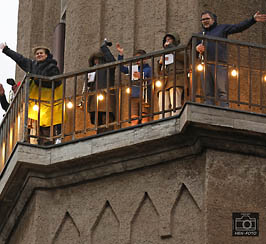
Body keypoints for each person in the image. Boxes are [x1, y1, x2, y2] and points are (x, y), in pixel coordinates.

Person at [196, 11, 266, 107]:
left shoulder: (221, 29)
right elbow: (194, 50)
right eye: (203, 19)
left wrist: (253, 19)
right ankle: (209, 109)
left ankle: (224, 109)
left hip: (219, 63)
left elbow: (238, 27)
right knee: (207, 92)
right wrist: (197, 48)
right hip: (204, 64)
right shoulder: (200, 34)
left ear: (213, 19)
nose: (205, 21)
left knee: (221, 90)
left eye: (207, 19)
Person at [0, 43, 62, 145]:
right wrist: (6, 50)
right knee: (37, 121)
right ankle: (37, 140)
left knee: (50, 121)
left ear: (46, 55)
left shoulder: (52, 67)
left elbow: (56, 82)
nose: (38, 55)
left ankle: (53, 139)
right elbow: (20, 59)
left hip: (50, 100)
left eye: (41, 53)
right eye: (37, 53)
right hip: (36, 101)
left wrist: (38, 80)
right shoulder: (33, 65)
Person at [116, 43, 152, 125]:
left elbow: (149, 79)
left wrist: (141, 76)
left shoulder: (148, 69)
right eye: (136, 60)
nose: (138, 61)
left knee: (144, 116)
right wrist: (120, 54)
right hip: (134, 94)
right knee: (133, 117)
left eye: (139, 59)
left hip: (144, 95)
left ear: (145, 59)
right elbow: (122, 68)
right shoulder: (133, 68)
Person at [87, 40, 116, 133]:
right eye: (94, 60)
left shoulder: (108, 68)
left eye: (98, 59)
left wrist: (104, 48)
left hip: (106, 97)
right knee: (98, 121)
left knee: (106, 118)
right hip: (94, 99)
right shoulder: (91, 71)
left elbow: (113, 62)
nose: (96, 62)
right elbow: (88, 85)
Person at [157, 33, 184, 118]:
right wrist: (159, 63)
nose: (167, 41)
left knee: (175, 102)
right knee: (163, 104)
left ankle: (175, 118)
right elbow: (158, 72)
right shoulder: (163, 54)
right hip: (163, 81)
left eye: (169, 39)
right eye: (166, 40)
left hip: (176, 79)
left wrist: (172, 48)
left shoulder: (180, 49)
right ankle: (162, 120)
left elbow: (185, 58)